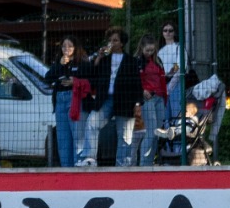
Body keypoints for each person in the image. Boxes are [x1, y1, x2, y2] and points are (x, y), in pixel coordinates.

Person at [83, 28, 137, 167]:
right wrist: (99, 58)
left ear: (122, 43)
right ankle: (90, 158)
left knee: (124, 135)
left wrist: (136, 103)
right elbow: (92, 76)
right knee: (92, 122)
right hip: (105, 99)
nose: (112, 43)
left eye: (115, 40)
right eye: (110, 40)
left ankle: (122, 164)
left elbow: (136, 82)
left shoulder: (131, 61)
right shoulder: (104, 60)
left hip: (124, 100)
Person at [44, 37, 87, 167]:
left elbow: (88, 77)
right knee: (63, 139)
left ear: (75, 48)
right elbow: (48, 77)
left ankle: (77, 167)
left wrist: (74, 81)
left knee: (77, 137)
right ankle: (66, 168)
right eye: (64, 46)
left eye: (70, 46)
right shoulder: (59, 62)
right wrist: (60, 65)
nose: (66, 49)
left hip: (74, 99)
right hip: (59, 100)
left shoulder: (81, 61)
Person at [136, 36, 168, 166]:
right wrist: (142, 90)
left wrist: (165, 97)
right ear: (142, 48)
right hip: (147, 97)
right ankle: (144, 164)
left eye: (152, 50)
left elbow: (162, 79)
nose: (149, 53)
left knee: (157, 132)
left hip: (159, 97)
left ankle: (150, 162)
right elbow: (135, 79)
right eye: (147, 50)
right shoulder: (138, 61)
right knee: (150, 131)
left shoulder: (157, 61)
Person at [158, 22, 183, 136]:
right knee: (165, 117)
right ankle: (168, 148)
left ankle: (178, 147)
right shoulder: (159, 51)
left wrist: (169, 79)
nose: (168, 33)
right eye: (165, 30)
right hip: (162, 87)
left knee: (177, 115)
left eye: (170, 30)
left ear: (174, 32)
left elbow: (179, 67)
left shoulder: (179, 47)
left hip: (176, 85)